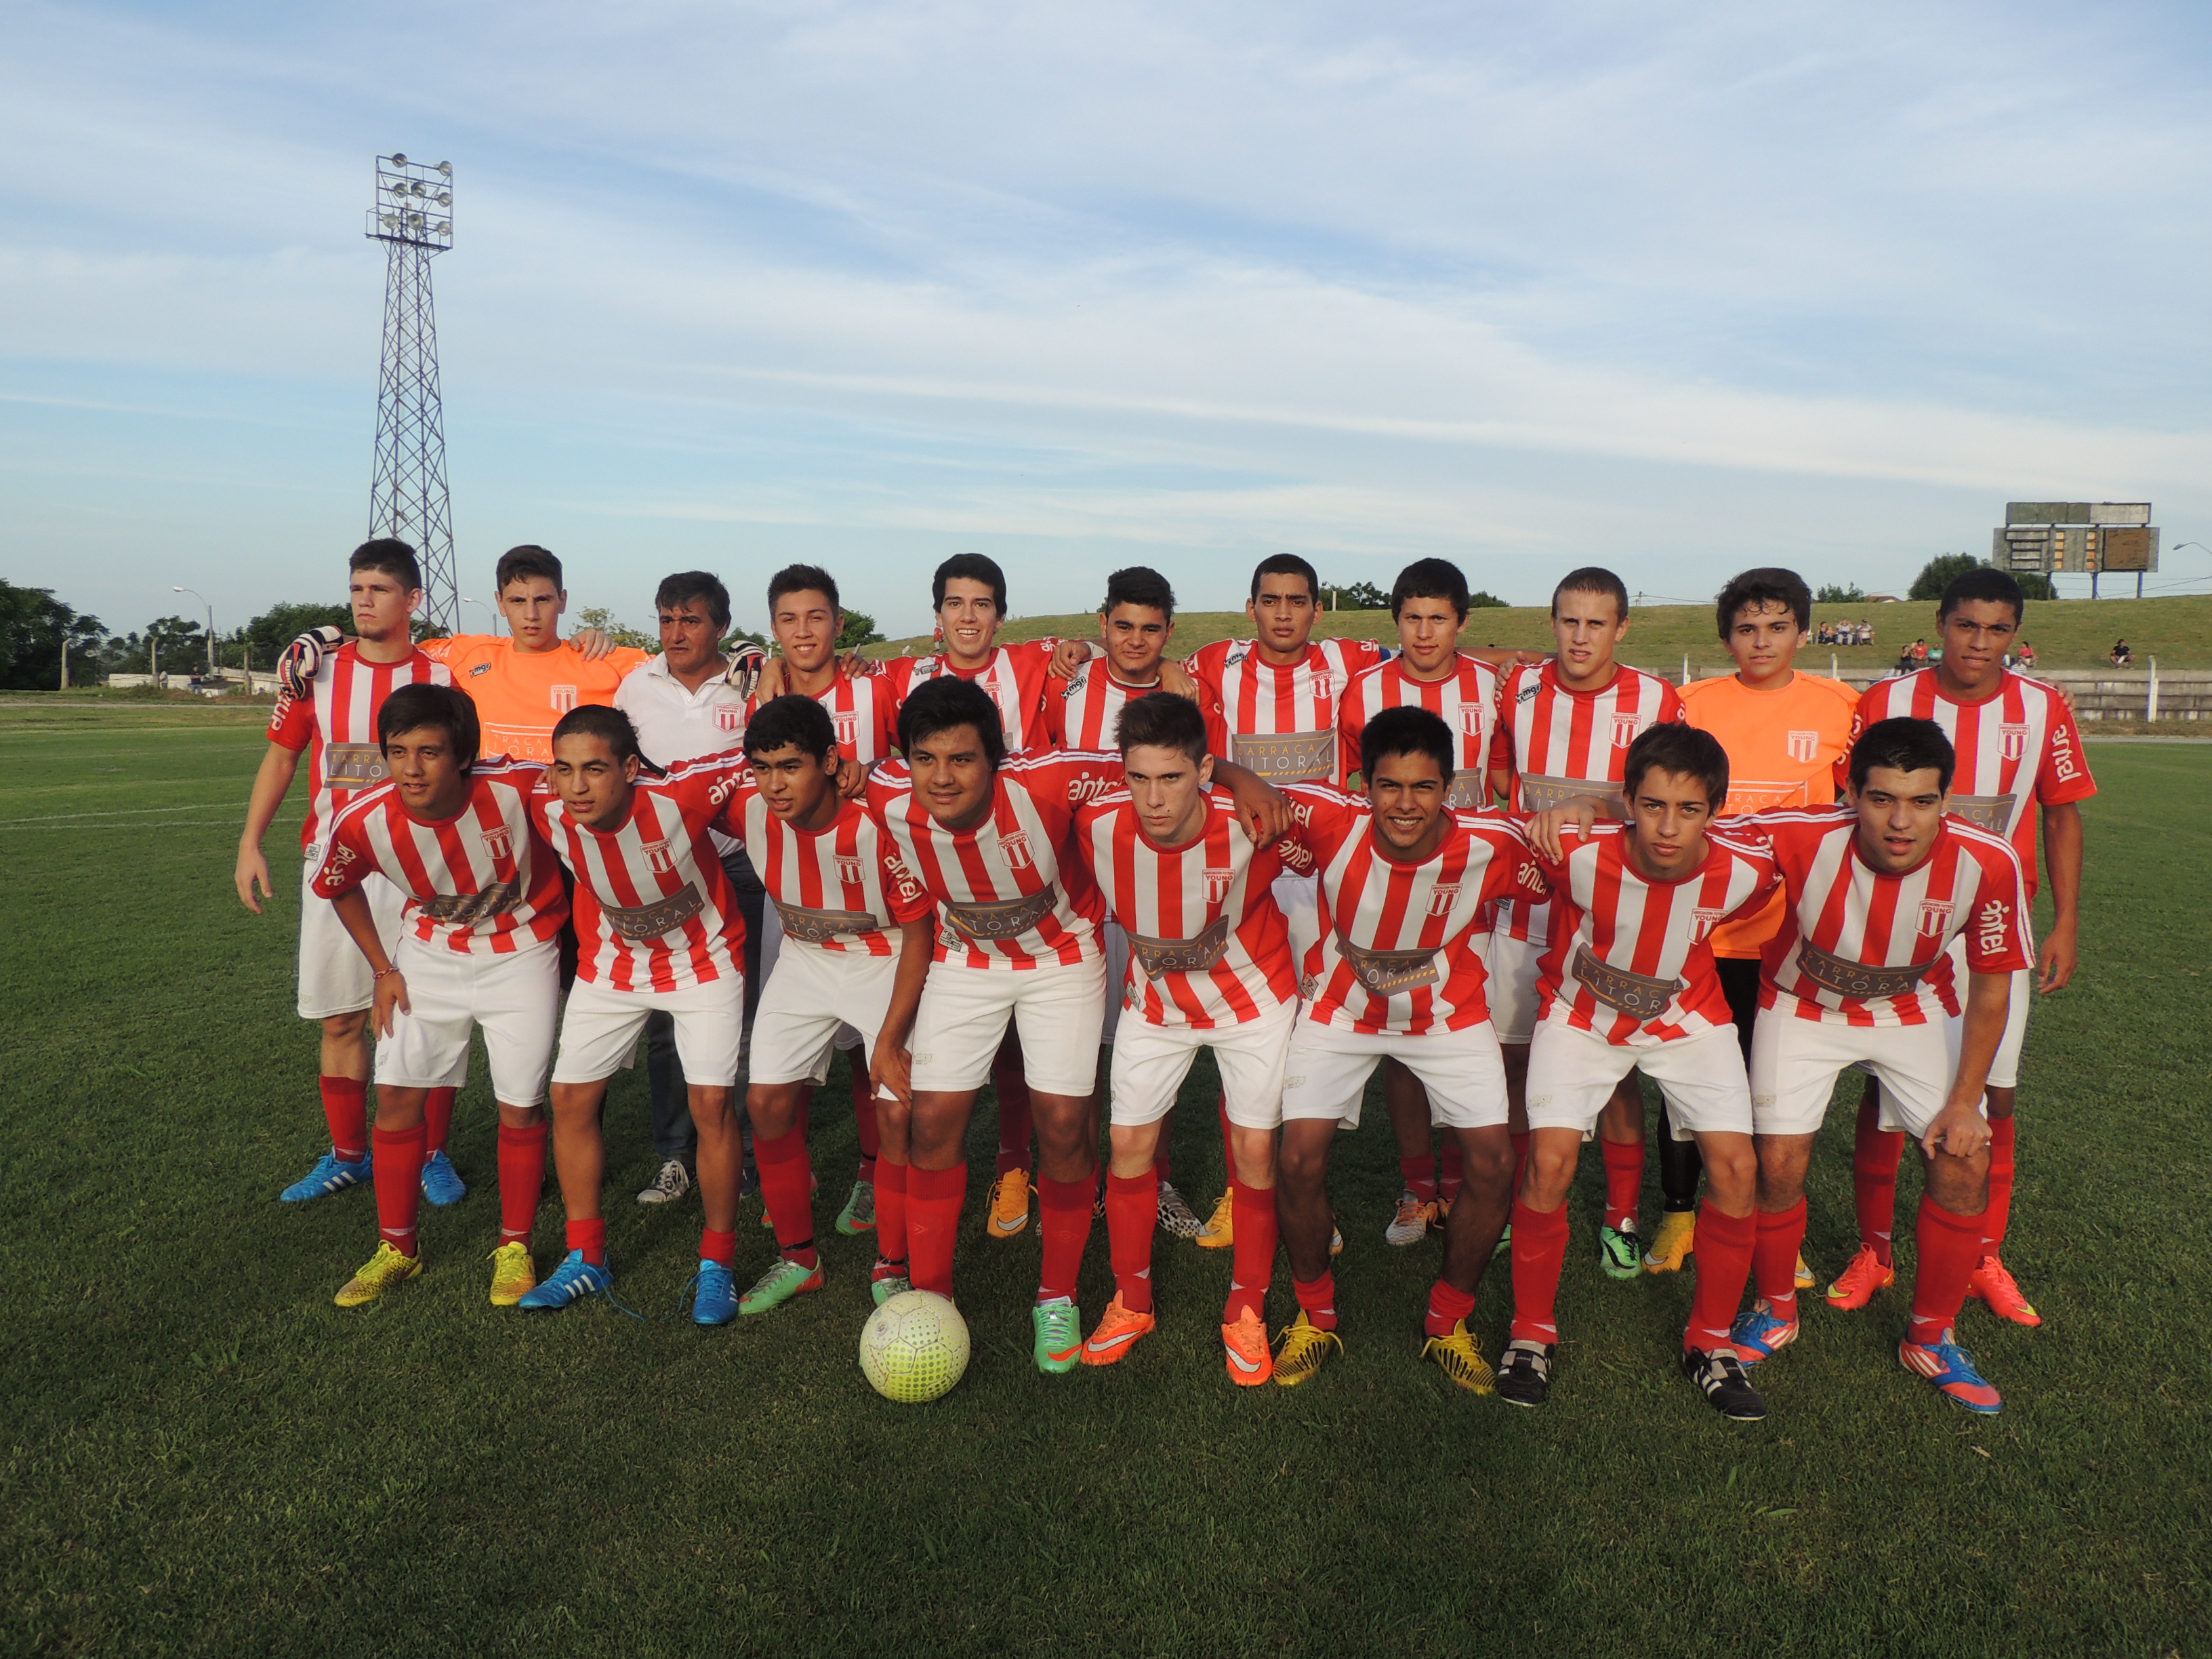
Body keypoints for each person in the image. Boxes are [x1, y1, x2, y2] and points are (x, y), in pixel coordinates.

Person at [863, 677, 1285, 1373]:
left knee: (1064, 1127)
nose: (941, 777)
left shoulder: (1057, 779)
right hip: (966, 959)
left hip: (1061, 956)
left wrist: (1241, 775)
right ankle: (932, 1299)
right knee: (930, 1122)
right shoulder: (882, 791)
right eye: (925, 759)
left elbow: (1164, 759)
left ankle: (1056, 1295)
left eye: (962, 759)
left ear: (996, 760)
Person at [1723, 716, 2031, 1414]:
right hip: (1803, 1008)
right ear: (1851, 795)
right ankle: (1775, 1310)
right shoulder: (1797, 833)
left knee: (1963, 1159)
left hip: (1915, 1010)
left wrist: (1965, 1098)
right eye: (1882, 798)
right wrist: (1589, 810)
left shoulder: (1988, 860)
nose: (1902, 821)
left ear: (1946, 800)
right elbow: (1686, 835)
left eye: (1922, 801)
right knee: (1777, 1167)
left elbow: (1991, 986)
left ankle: (1930, 1335)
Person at [1835, 568, 2094, 1328]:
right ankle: (1875, 1252)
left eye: (1998, 629)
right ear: (1940, 624)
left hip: (1994, 935)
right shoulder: (1888, 701)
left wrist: (2068, 922)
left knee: (1997, 1095)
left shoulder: (2043, 707)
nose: (1979, 643)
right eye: (1966, 625)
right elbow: (1844, 801)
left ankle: (1984, 1255)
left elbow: (2063, 816)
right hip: (1905, 930)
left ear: (2015, 634)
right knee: (1885, 1094)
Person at [1507, 726, 1778, 1419]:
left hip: (1688, 1018)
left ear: (1716, 811)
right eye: (1652, 805)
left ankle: (1711, 1343)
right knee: (1549, 1165)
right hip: (1579, 1015)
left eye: (1689, 810)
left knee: (1738, 1170)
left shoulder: (1750, 868)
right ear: (1628, 801)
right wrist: (1576, 804)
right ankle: (1531, 1334)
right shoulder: (1573, 848)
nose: (1667, 826)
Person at [1271, 706, 1545, 1391]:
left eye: (1423, 787)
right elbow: (1234, 782)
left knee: (1493, 1161)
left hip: (1448, 1017)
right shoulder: (1326, 819)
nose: (1405, 803)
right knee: (1298, 1159)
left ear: (1450, 787)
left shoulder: (1495, 841)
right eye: (1389, 786)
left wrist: (1560, 833)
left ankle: (1448, 1320)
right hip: (1341, 1011)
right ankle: (1316, 1314)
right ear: (1364, 786)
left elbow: (1585, 849)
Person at [310, 684, 567, 1308]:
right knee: (397, 1097)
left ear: (463, 755)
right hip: (429, 956)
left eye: (429, 752)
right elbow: (337, 884)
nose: (411, 768)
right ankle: (398, 1249)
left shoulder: (521, 788)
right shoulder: (364, 818)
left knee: (520, 1103)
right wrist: (381, 968)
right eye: (398, 752)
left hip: (524, 954)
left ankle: (514, 1247)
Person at [1069, 691, 1300, 1382]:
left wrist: (1243, 777)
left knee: (1256, 1153)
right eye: (1138, 778)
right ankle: (1133, 1300)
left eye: (1171, 777)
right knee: (1128, 1146)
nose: (1153, 797)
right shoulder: (1097, 824)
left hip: (1253, 1002)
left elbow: (1358, 820)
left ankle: (1247, 1309)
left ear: (1202, 772)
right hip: (1157, 1005)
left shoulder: (1254, 819)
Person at [235, 539, 461, 1206]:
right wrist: (251, 843)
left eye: (379, 590)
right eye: (357, 589)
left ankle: (432, 1154)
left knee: (430, 1017)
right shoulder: (318, 672)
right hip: (336, 866)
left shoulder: (445, 678)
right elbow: (281, 758)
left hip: (422, 869)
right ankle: (347, 1155)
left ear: (413, 600)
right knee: (341, 1019)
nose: (364, 601)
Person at [874, 553, 1091, 1243]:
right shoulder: (899, 679)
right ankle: (970, 1185)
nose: (968, 616)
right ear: (936, 615)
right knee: (953, 1084)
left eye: (982, 604)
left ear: (1001, 614)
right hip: (958, 889)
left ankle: (1030, 1168)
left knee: (1044, 1070)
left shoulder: (1033, 663)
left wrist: (1077, 655)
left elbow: (1091, 672)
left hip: (1035, 859)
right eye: (955, 604)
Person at [1177, 553, 1389, 1248]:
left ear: (1317, 610)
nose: (1284, 613)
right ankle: (1245, 1191)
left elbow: (1434, 647)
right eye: (1270, 601)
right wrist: (1069, 653)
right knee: (1249, 1033)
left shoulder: (1349, 660)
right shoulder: (1216, 662)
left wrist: (1509, 660)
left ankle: (1306, 1192)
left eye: (1297, 601)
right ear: (1251, 607)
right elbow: (1142, 658)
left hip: (1323, 876)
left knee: (1311, 1041)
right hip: (1246, 877)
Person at [515, 707, 753, 1320]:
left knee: (711, 1108)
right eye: (564, 770)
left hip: (704, 960)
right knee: (569, 1100)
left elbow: (753, 760)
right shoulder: (544, 805)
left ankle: (717, 1266)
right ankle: (586, 1258)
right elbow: (473, 773)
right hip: (613, 965)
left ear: (629, 768)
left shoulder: (681, 796)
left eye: (595, 769)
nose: (577, 786)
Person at [1655, 569, 1856, 1281]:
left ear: (1803, 631)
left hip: (1789, 939)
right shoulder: (1691, 705)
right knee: (1687, 1077)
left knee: (1771, 1088)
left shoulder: (1841, 708)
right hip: (1702, 934)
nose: (1761, 641)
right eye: (1746, 628)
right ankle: (1680, 1214)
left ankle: (1776, 1229)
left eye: (1776, 627)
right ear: (1726, 636)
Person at [1489, 567, 1683, 1275]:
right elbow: (1504, 779)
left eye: (1596, 623)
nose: (1580, 636)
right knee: (1514, 1061)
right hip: (1525, 904)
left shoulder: (1659, 699)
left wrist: (1594, 810)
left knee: (1619, 1068)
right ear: (1552, 621)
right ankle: (1520, 1203)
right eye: (1569, 621)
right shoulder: (1520, 686)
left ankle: (1621, 1216)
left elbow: (1674, 797)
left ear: (1622, 628)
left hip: (1615, 916)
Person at [723, 695, 935, 1314]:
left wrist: (890, 1040)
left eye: (790, 766)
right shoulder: (747, 809)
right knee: (765, 1102)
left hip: (886, 957)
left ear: (830, 763)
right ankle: (798, 1258)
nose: (774, 784)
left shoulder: (879, 824)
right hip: (805, 957)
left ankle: (892, 1265)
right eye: (762, 768)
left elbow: (920, 933)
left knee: (896, 1111)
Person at [1336, 558, 1504, 1248]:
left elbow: (1502, 778)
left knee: (1463, 1037)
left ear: (1462, 623)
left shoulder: (1495, 687)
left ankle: (1462, 1187)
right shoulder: (1364, 688)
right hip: (1389, 891)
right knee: (1403, 1045)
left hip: (1469, 891)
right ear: (1396, 620)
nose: (1425, 631)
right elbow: (1350, 778)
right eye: (1412, 617)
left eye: (1439, 618)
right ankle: (1418, 1187)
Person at [1046, 565, 1212, 1241]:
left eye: (1151, 629)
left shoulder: (1189, 693)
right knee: (1086, 1048)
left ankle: (1154, 1177)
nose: (1137, 640)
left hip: (1156, 895)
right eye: (1124, 626)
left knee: (1157, 1042)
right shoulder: (1066, 681)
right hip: (1080, 892)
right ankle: (1084, 1181)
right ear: (1102, 624)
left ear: (1169, 633)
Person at [745, 563, 905, 1239]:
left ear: (839, 624)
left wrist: (882, 774)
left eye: (817, 618)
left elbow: (919, 758)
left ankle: (872, 1173)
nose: (803, 631)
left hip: (876, 895)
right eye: (789, 619)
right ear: (774, 627)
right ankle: (795, 1176)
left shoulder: (878, 686)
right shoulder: (760, 689)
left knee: (863, 1055)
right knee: (790, 1045)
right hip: (796, 895)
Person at [613, 572, 770, 1211]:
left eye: (692, 621)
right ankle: (677, 1156)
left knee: (750, 1018)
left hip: (742, 868)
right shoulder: (634, 685)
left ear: (722, 629)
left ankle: (753, 1156)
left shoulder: (750, 683)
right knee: (665, 1021)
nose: (676, 633)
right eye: (667, 619)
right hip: (667, 873)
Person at [416, 545, 656, 764]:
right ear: (500, 603)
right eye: (518, 601)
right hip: (506, 808)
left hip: (574, 807)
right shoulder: (473, 655)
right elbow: (404, 652)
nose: (531, 614)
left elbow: (679, 671)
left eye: (542, 600)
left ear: (562, 601)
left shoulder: (602, 658)